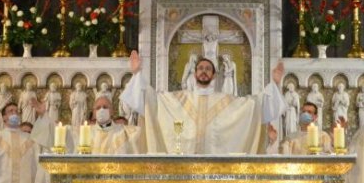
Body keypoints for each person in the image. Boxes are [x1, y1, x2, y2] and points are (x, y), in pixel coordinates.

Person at [120, 51, 285, 155]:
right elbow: (151, 101)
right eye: (200, 68)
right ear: (194, 73)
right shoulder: (176, 99)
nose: (204, 71)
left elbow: (255, 105)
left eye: (208, 69)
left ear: (214, 75)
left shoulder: (227, 101)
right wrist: (136, 75)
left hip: (217, 171)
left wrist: (275, 84)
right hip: (184, 169)